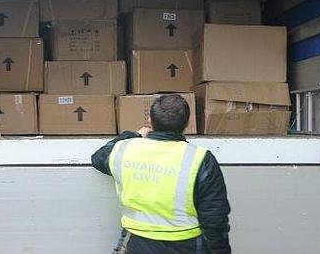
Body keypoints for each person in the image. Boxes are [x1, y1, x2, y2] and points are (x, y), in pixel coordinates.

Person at [91, 94, 231, 254]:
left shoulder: (125, 150)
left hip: (137, 243)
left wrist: (135, 134)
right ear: (187, 124)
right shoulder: (200, 159)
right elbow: (215, 217)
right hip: (186, 245)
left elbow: (98, 157)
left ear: (150, 120)